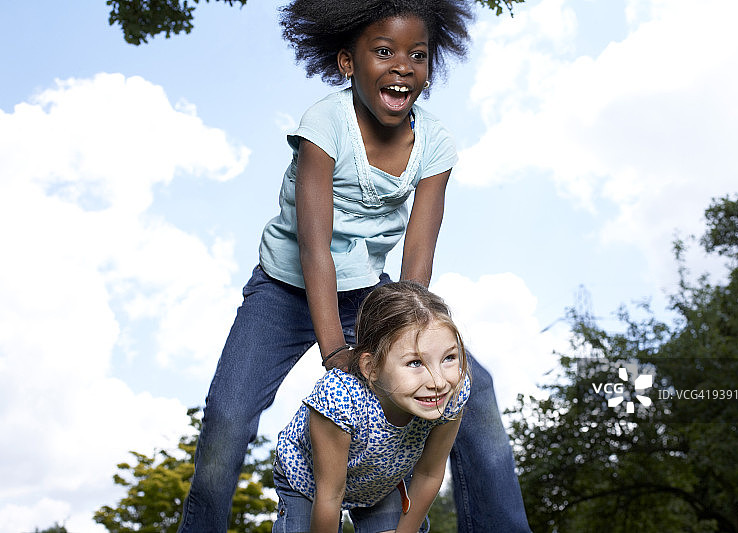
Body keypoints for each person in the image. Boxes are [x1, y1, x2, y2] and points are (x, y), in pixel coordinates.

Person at [178, 0, 530, 531]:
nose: (402, 66)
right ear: (347, 63)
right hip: (284, 287)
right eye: (383, 52)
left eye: (418, 54)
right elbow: (313, 247)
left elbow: (418, 255)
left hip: (367, 292)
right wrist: (335, 351)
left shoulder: (435, 143)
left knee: (471, 389)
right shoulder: (325, 123)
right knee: (227, 416)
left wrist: (413, 340)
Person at [274, 281, 470, 532]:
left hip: (380, 480)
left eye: (449, 358)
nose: (439, 381)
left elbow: (429, 474)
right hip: (310, 483)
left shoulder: (451, 394)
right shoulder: (339, 400)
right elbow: (330, 496)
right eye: (415, 363)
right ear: (371, 368)